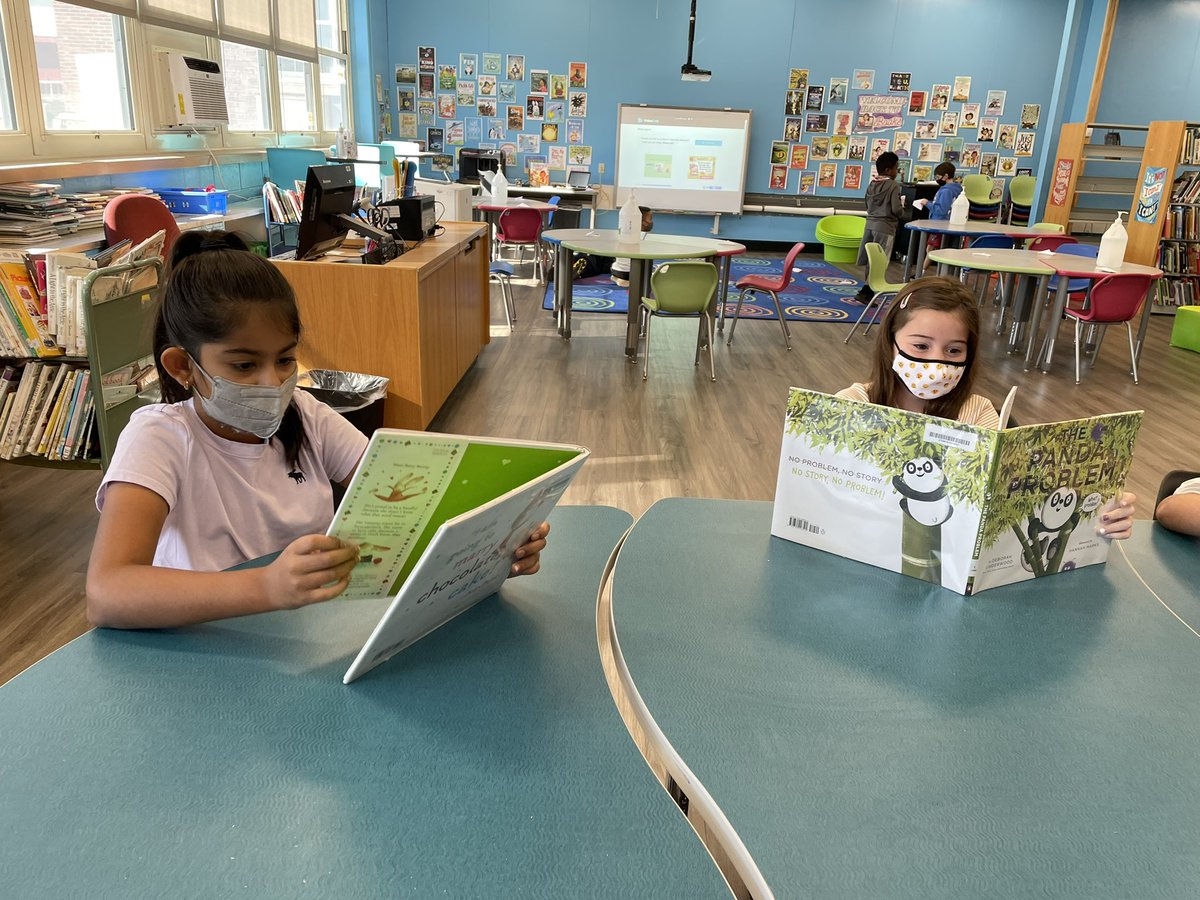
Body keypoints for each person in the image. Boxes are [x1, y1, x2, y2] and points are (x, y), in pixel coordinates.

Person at [86, 231, 549, 630]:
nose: (272, 383)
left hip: (311, 634)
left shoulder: (307, 415)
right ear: (183, 365)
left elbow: (416, 506)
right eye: (244, 364)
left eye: (285, 359)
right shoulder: (158, 438)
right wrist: (266, 586)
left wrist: (494, 546)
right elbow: (108, 591)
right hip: (210, 648)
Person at [836, 276, 1136, 537]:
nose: (937, 361)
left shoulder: (977, 412)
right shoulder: (851, 404)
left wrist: (1102, 511)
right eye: (921, 346)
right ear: (891, 343)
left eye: (954, 350)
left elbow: (1019, 494)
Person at [851, 151, 908, 304]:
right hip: (885, 228)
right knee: (881, 261)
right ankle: (868, 291)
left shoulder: (872, 184)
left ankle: (866, 288)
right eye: (896, 168)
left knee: (871, 260)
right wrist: (902, 208)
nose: (897, 171)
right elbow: (896, 210)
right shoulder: (893, 186)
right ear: (889, 170)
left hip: (869, 225)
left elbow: (867, 205)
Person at [913, 162, 963, 271]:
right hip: (943, 223)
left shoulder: (946, 191)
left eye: (938, 177)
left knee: (931, 249)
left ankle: (921, 272)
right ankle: (923, 271)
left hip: (939, 224)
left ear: (945, 176)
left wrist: (927, 203)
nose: (937, 179)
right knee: (932, 249)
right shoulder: (954, 188)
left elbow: (941, 210)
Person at [610, 206, 654, 287]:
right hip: (631, 272)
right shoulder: (644, 236)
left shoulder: (623, 234)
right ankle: (627, 281)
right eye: (650, 219)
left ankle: (617, 277)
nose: (651, 222)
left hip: (615, 269)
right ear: (643, 223)